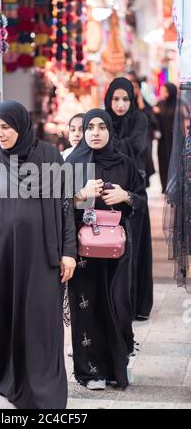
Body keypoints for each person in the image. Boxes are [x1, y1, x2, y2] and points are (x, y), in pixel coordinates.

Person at [0, 100, 77, 409]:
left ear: (22, 125)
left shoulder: (49, 155)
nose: (0, 134)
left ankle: (41, 385)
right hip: (1, 253)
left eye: (6, 127)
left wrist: (69, 252)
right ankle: (7, 377)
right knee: (2, 314)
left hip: (41, 253)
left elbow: (65, 207)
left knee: (39, 317)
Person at [67, 109, 146, 390]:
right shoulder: (73, 163)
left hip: (118, 249)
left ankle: (116, 367)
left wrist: (126, 196)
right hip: (84, 251)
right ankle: (91, 372)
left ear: (110, 131)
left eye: (102, 127)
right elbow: (58, 207)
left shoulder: (123, 162)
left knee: (118, 305)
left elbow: (141, 198)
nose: (96, 133)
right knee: (86, 307)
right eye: (91, 127)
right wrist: (81, 195)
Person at [105, 77, 153, 320]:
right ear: (108, 99)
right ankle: (113, 304)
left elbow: (137, 145)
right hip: (109, 190)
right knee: (112, 246)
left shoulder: (139, 119)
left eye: (125, 99)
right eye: (116, 99)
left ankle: (135, 305)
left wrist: (112, 145)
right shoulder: (102, 121)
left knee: (134, 248)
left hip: (133, 190)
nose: (121, 104)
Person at [126, 71, 159, 187]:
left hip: (143, 142)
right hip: (128, 143)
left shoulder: (143, 103)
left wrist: (141, 105)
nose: (133, 90)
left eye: (135, 87)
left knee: (142, 171)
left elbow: (152, 120)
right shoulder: (124, 103)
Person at [153, 83, 183, 193]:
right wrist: (155, 113)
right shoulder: (159, 104)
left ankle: (174, 187)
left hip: (174, 140)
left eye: (165, 91)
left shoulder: (178, 105)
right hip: (162, 140)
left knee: (174, 162)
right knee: (162, 162)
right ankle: (165, 186)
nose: (162, 93)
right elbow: (154, 120)